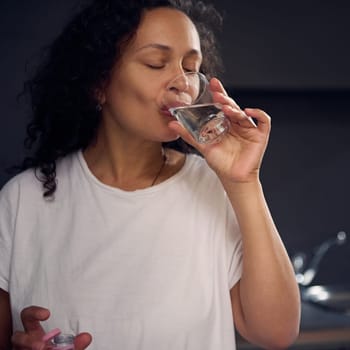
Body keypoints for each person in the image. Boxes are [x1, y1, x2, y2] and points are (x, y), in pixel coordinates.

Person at [0, 0, 301, 349]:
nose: (182, 83)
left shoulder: (213, 188)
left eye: (191, 67)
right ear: (99, 82)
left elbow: (276, 333)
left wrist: (244, 182)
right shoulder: (22, 201)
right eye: (156, 63)